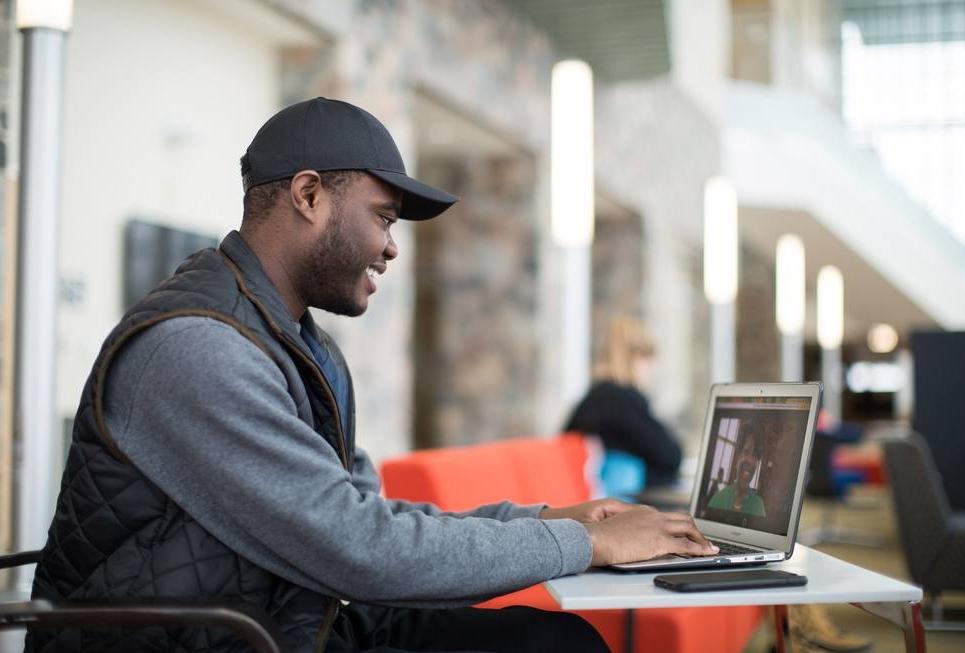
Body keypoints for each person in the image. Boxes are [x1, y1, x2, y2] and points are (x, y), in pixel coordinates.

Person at [28, 98, 719, 653]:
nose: (391, 246)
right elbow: (359, 549)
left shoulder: (295, 343)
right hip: (219, 634)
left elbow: (367, 521)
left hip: (288, 620)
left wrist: (546, 518)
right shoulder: (199, 349)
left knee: (554, 639)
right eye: (382, 217)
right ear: (307, 195)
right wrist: (583, 543)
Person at [564, 317, 683, 489]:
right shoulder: (621, 399)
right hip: (621, 500)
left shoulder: (595, 397)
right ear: (634, 357)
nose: (650, 369)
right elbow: (671, 456)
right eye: (647, 358)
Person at [707, 430, 767, 517]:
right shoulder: (718, 499)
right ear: (737, 457)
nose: (750, 460)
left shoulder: (758, 506)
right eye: (746, 451)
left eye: (755, 455)